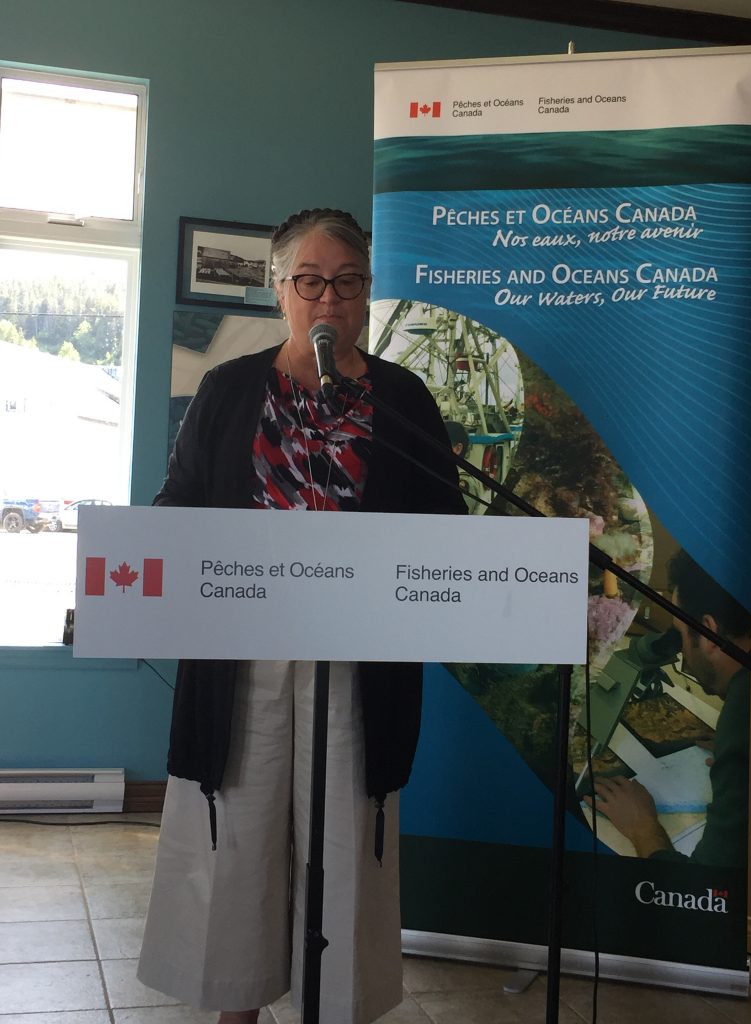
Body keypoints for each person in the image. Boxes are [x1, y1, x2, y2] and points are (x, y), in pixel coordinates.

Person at [137, 208, 466, 1024]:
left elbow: (445, 527)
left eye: (347, 283)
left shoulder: (401, 398)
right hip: (241, 661)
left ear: (366, 294)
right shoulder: (228, 389)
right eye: (310, 281)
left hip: (358, 665)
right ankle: (236, 1008)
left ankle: (336, 1007)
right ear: (279, 290)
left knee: (346, 848)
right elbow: (178, 504)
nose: (329, 300)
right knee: (237, 839)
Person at [586, 549, 751, 867]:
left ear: (710, 632)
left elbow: (704, 884)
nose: (682, 651)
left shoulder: (745, 711)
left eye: (680, 631)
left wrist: (643, 827)